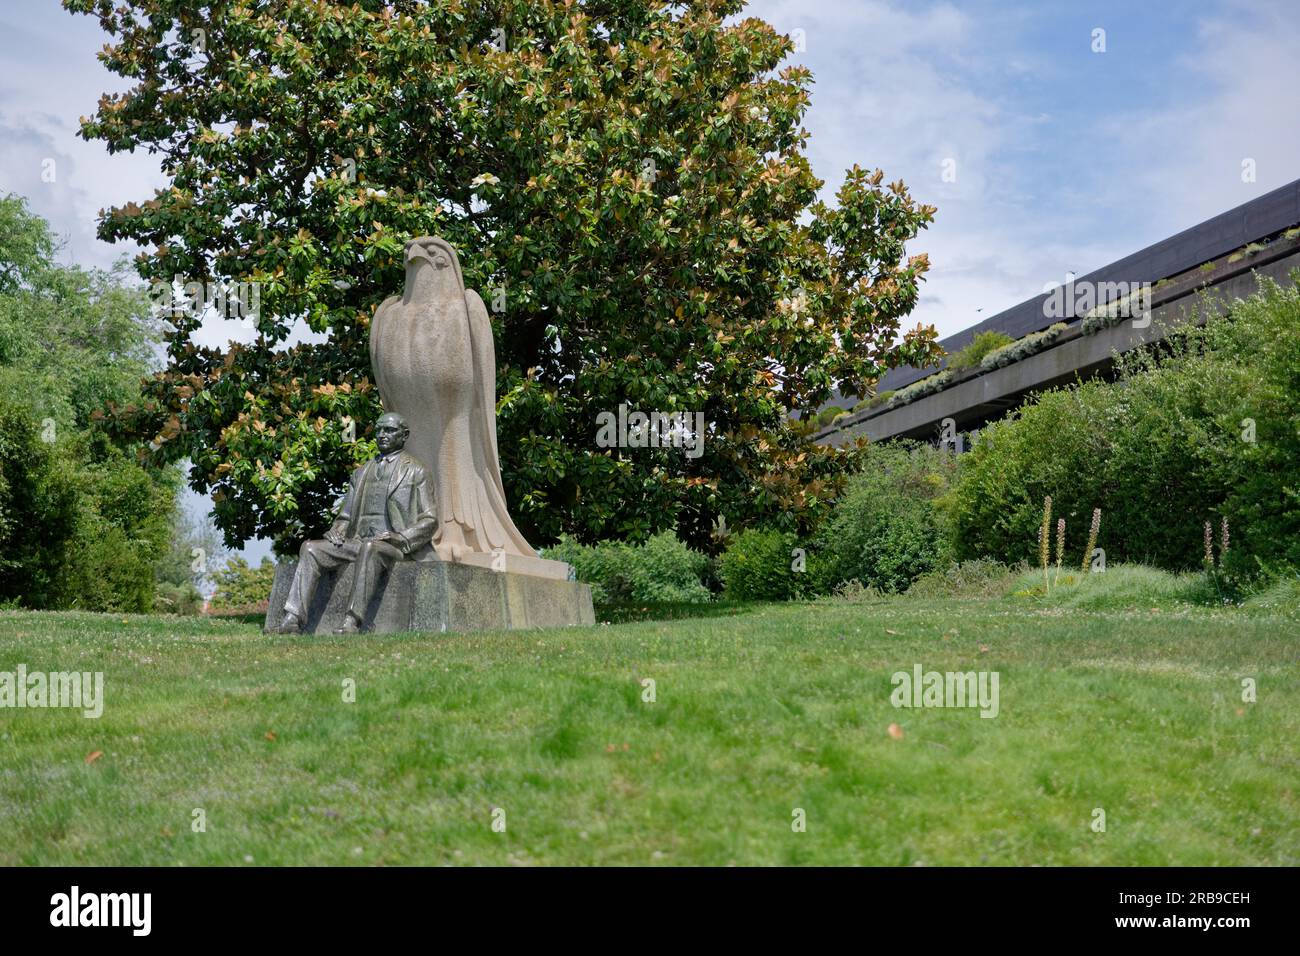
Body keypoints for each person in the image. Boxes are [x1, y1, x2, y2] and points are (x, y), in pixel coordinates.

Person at [273, 412, 436, 634]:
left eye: (389, 430)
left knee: (371, 548)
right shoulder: (361, 473)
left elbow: (430, 519)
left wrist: (401, 537)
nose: (381, 435)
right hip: (358, 542)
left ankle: (352, 622)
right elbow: (346, 516)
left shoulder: (417, 471)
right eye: (378, 430)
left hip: (394, 546)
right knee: (310, 548)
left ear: (404, 435)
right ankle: (292, 618)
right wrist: (337, 530)